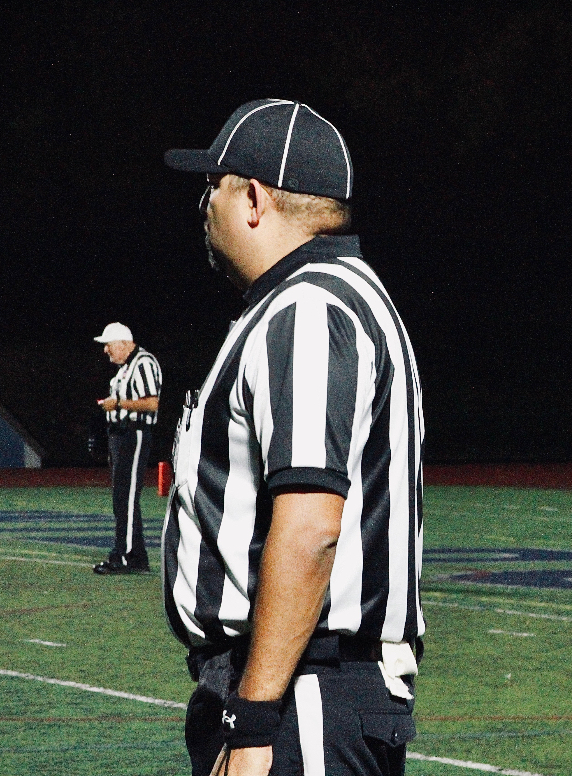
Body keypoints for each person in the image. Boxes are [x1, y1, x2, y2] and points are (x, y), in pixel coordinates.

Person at [162, 99, 425, 776]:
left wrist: (253, 718)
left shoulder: (308, 307)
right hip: (301, 689)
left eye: (212, 186)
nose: (204, 206)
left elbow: (312, 527)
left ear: (253, 197)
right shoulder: (330, 295)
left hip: (302, 692)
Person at [91, 322, 162, 574]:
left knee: (126, 497)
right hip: (121, 435)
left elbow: (152, 404)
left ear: (123, 343)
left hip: (134, 434)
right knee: (122, 497)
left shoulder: (143, 363)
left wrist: (118, 403)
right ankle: (136, 556)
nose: (106, 351)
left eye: (109, 345)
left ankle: (126, 556)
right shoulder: (126, 368)